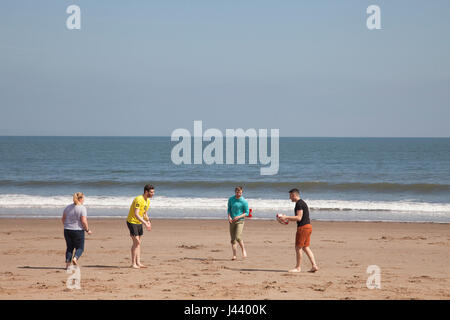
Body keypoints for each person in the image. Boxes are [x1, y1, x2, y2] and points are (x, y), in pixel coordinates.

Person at [279, 189, 319, 273]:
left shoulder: (299, 203)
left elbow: (299, 217)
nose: (289, 198)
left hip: (303, 228)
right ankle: (314, 266)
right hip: (308, 226)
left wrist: (286, 217)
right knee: (305, 247)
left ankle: (298, 267)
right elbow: (299, 218)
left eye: (290, 196)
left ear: (294, 195)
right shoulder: (302, 202)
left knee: (298, 247)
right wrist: (287, 218)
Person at [62, 192, 92, 270]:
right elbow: (84, 221)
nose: (84, 200)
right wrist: (87, 230)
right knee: (80, 248)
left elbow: (63, 219)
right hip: (78, 230)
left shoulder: (68, 207)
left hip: (67, 230)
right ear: (80, 199)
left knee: (69, 248)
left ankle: (67, 265)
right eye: (83, 198)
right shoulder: (82, 208)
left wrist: (66, 226)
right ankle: (75, 258)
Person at [126, 184, 154, 269]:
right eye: (151, 192)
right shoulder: (139, 199)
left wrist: (148, 221)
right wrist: (145, 223)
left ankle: (138, 262)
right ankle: (133, 263)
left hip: (139, 222)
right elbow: (136, 214)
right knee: (136, 242)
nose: (153, 194)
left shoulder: (147, 201)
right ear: (146, 192)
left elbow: (144, 213)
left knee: (138, 243)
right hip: (132, 222)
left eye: (153, 192)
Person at [227, 186, 250, 260]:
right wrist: (229, 217)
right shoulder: (231, 199)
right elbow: (229, 209)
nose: (238, 194)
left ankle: (243, 250)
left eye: (240, 193)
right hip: (232, 221)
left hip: (240, 221)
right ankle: (234, 255)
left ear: (242, 192)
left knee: (238, 237)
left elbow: (247, 213)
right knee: (233, 239)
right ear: (235, 192)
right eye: (237, 192)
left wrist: (239, 216)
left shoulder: (244, 201)